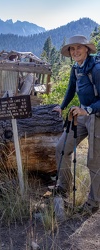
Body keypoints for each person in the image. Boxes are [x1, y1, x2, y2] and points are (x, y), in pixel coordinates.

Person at [52, 35, 100, 214]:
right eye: (72, 49)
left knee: (94, 162)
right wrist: (62, 106)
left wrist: (87, 109)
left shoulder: (96, 69)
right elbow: (71, 89)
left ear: (87, 49)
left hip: (96, 116)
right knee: (61, 148)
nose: (75, 51)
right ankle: (64, 187)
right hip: (81, 114)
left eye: (79, 47)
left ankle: (93, 203)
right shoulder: (76, 68)